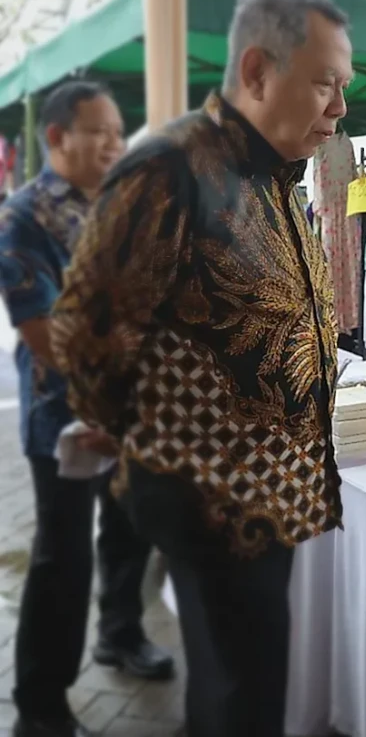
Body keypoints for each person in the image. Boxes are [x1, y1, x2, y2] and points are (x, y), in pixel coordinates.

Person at [50, 0, 350, 737]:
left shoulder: (271, 173)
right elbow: (86, 332)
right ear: (255, 71)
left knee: (241, 684)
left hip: (267, 493)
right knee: (242, 695)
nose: (339, 108)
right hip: (210, 496)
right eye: (324, 82)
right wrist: (146, 438)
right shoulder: (172, 168)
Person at [0, 81, 175, 737]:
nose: (113, 142)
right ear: (55, 137)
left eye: (117, 130)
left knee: (130, 528)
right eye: (98, 130)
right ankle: (39, 704)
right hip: (65, 421)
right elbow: (47, 334)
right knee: (61, 559)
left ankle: (120, 632)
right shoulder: (24, 217)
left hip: (131, 410)